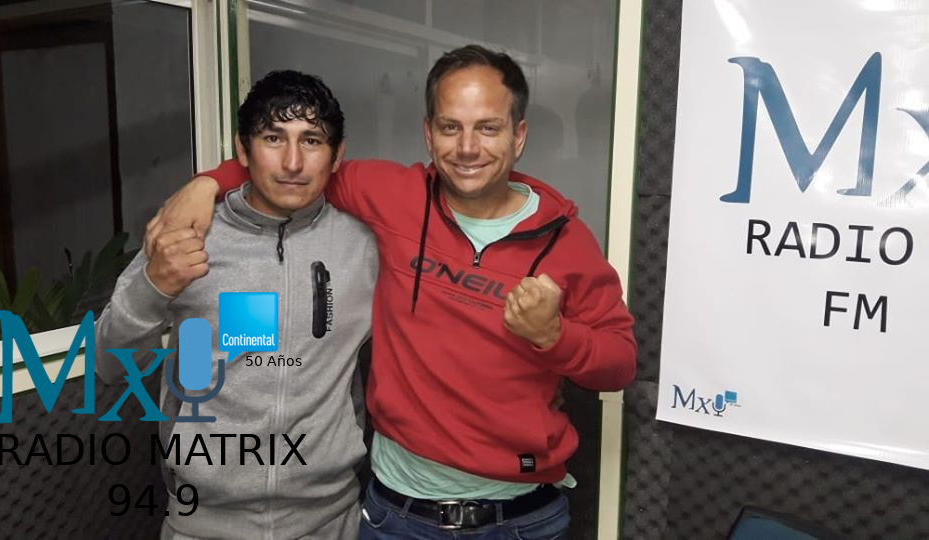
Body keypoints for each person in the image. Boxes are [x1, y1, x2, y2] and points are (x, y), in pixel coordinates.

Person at [147, 45, 636, 539]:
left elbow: (619, 364)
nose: (468, 148)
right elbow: (297, 171)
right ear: (428, 133)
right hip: (396, 516)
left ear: (519, 135)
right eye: (450, 127)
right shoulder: (391, 195)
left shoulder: (564, 241)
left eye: (488, 128)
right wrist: (208, 183)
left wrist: (554, 336)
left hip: (518, 519)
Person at [95, 70, 377, 539]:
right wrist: (153, 286)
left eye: (311, 140)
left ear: (337, 155)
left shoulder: (363, 246)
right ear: (243, 151)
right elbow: (109, 365)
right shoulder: (187, 233)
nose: (292, 162)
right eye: (273, 138)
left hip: (331, 521)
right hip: (202, 525)